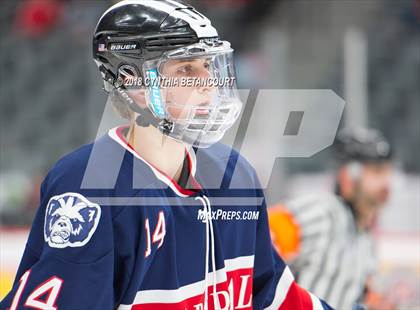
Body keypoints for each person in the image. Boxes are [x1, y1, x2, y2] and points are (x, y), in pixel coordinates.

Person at [1, 1, 332, 309]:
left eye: (207, 65)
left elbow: (271, 294)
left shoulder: (235, 175)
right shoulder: (93, 186)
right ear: (135, 85)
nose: (209, 83)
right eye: (187, 69)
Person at [269, 127, 393, 310]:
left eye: (387, 172)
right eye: (376, 172)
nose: (385, 183)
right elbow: (257, 243)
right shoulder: (321, 212)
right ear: (348, 177)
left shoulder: (365, 238)